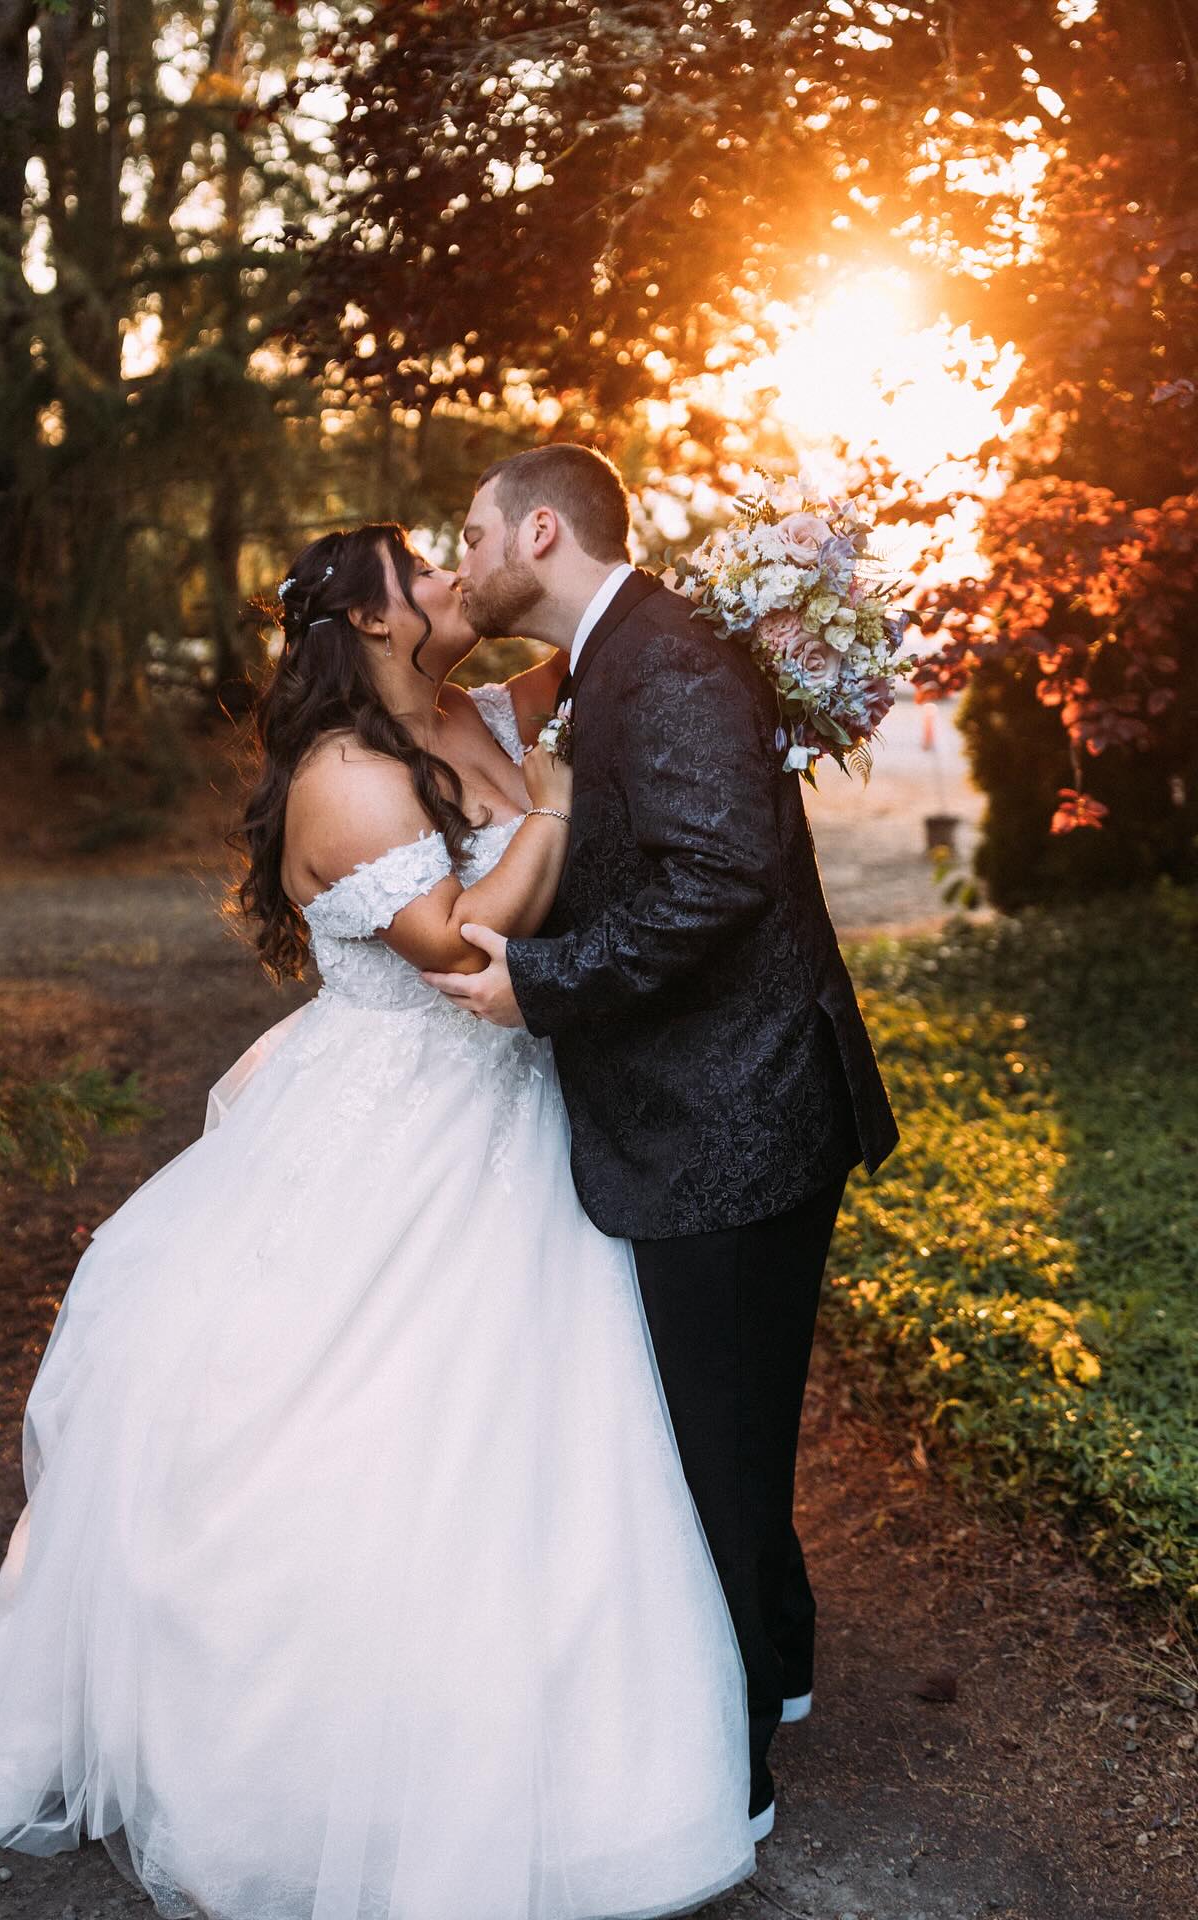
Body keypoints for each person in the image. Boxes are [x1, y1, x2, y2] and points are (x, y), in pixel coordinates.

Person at [0, 521, 757, 1920]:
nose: (449, 580)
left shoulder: (476, 709)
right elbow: (466, 942)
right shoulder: (346, 782)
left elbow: (611, 656)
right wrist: (548, 804)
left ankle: (587, 1753)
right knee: (376, 1431)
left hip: (527, 1118)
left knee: (556, 1428)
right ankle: (326, 1766)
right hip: (400, 1117)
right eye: (424, 570)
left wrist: (764, 592)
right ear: (366, 622)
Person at [425, 446, 902, 1840]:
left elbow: (721, 882)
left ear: (543, 528)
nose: (465, 563)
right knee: (733, 1420)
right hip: (720, 1099)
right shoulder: (611, 657)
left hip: (735, 1111)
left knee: (715, 1443)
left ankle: (728, 1765)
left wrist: (544, 985)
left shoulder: (669, 665)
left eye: (473, 535)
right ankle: (788, 1663)